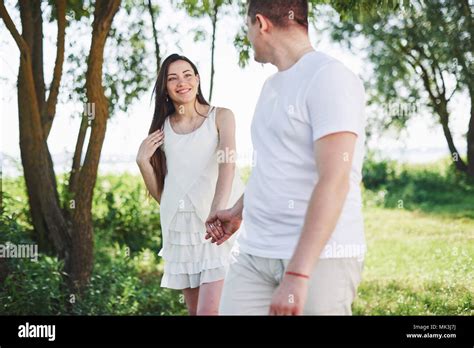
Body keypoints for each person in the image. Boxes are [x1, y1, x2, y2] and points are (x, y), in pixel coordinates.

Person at [205, 0, 366, 315]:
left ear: (261, 23)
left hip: (322, 257)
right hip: (254, 254)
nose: (248, 38)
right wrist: (238, 211)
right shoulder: (270, 86)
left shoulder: (329, 77)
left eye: (248, 28)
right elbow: (271, 167)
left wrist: (297, 273)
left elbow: (335, 180)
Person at [137, 54, 245, 315]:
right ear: (165, 87)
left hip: (216, 227)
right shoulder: (163, 129)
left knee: (210, 311)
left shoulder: (221, 117)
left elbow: (227, 164)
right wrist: (142, 161)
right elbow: (166, 195)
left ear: (197, 78)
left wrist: (217, 212)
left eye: (187, 75)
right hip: (182, 232)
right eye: (172, 78)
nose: (181, 82)